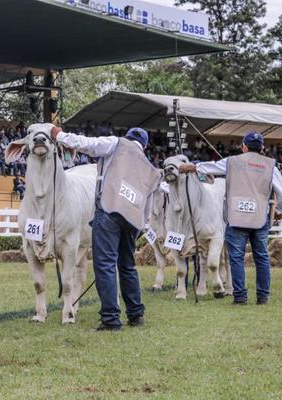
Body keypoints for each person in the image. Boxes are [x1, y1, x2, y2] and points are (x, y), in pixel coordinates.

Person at [51, 126, 161, 331]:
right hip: (132, 220)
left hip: (109, 211)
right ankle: (136, 314)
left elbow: (87, 144)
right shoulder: (149, 167)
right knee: (127, 266)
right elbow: (148, 206)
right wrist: (138, 228)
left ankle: (111, 319)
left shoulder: (116, 143)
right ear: (144, 146)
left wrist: (60, 135)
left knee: (105, 265)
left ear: (127, 137)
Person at [179, 132, 282, 305]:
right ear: (262, 148)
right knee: (262, 257)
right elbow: (281, 191)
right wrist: (279, 209)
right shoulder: (271, 166)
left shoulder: (232, 162)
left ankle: (240, 296)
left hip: (237, 217)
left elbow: (210, 167)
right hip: (259, 217)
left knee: (236, 257)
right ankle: (263, 297)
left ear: (244, 147)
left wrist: (190, 167)